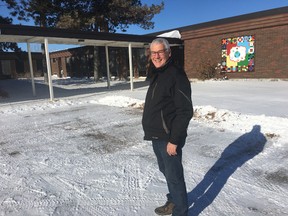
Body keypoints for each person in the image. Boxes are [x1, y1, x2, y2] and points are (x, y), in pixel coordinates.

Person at [142, 38, 193, 216]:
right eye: (153, 52)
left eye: (160, 52)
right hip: (157, 135)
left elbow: (185, 111)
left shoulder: (176, 75)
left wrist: (174, 140)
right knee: (166, 171)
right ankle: (173, 201)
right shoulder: (158, 72)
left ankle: (180, 212)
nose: (156, 56)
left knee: (174, 177)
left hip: (169, 137)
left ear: (168, 53)